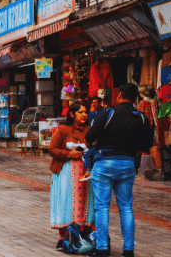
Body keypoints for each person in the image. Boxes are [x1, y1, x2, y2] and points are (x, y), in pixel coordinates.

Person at [85, 83, 152, 257]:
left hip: (104, 163)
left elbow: (89, 136)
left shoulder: (109, 114)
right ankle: (128, 250)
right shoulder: (142, 118)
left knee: (101, 207)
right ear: (135, 99)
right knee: (126, 207)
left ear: (119, 96)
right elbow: (146, 145)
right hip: (128, 164)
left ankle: (102, 249)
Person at [48, 101, 95, 249]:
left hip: (85, 172)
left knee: (86, 203)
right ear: (72, 114)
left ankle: (83, 234)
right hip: (66, 172)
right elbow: (52, 149)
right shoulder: (63, 129)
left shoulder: (90, 130)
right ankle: (65, 236)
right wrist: (69, 154)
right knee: (66, 202)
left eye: (85, 112)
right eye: (80, 112)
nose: (84, 115)